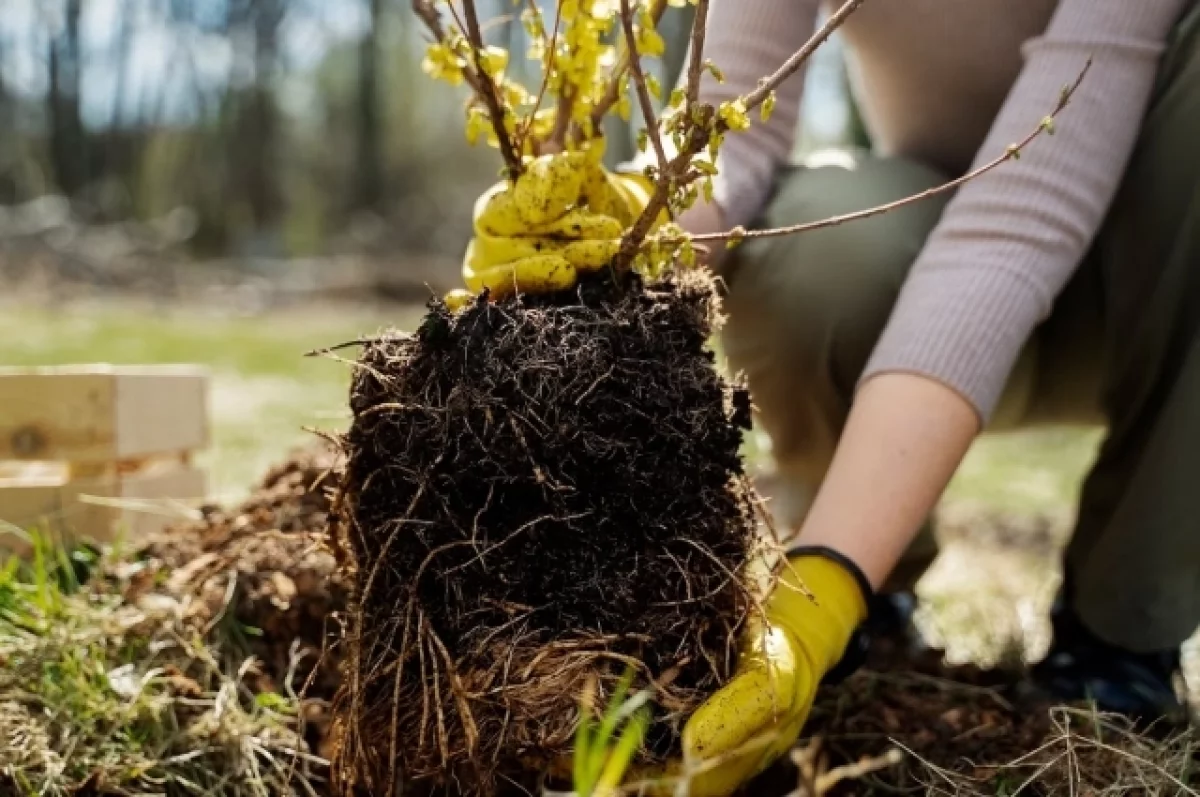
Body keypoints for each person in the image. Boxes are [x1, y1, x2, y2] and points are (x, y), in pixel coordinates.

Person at [458, 1, 1200, 794]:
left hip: (1161, 299)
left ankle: (1122, 632)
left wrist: (820, 595)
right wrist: (630, 214)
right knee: (817, 241)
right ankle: (877, 589)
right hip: (933, 268)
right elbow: (729, 128)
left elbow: (1018, 224)